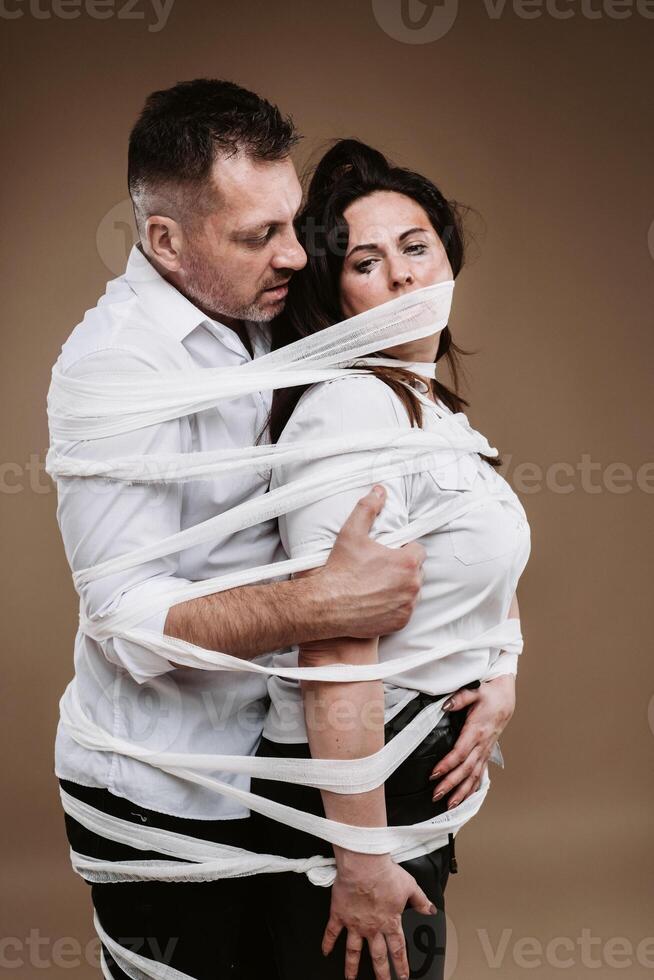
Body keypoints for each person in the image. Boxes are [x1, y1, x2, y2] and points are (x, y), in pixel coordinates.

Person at [51, 81, 431, 980]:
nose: (297, 255)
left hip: (276, 764)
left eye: (293, 221)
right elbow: (126, 618)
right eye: (259, 236)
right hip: (159, 787)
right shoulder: (115, 365)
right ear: (165, 242)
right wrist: (322, 603)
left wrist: (492, 662)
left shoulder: (268, 310)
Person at [250, 139, 531, 980]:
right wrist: (362, 856)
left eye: (417, 247)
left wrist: (502, 673)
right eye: (367, 263)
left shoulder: (427, 410)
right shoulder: (349, 414)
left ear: (449, 255)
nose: (404, 276)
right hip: (350, 806)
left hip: (404, 785)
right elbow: (334, 647)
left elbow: (477, 570)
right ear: (335, 296)